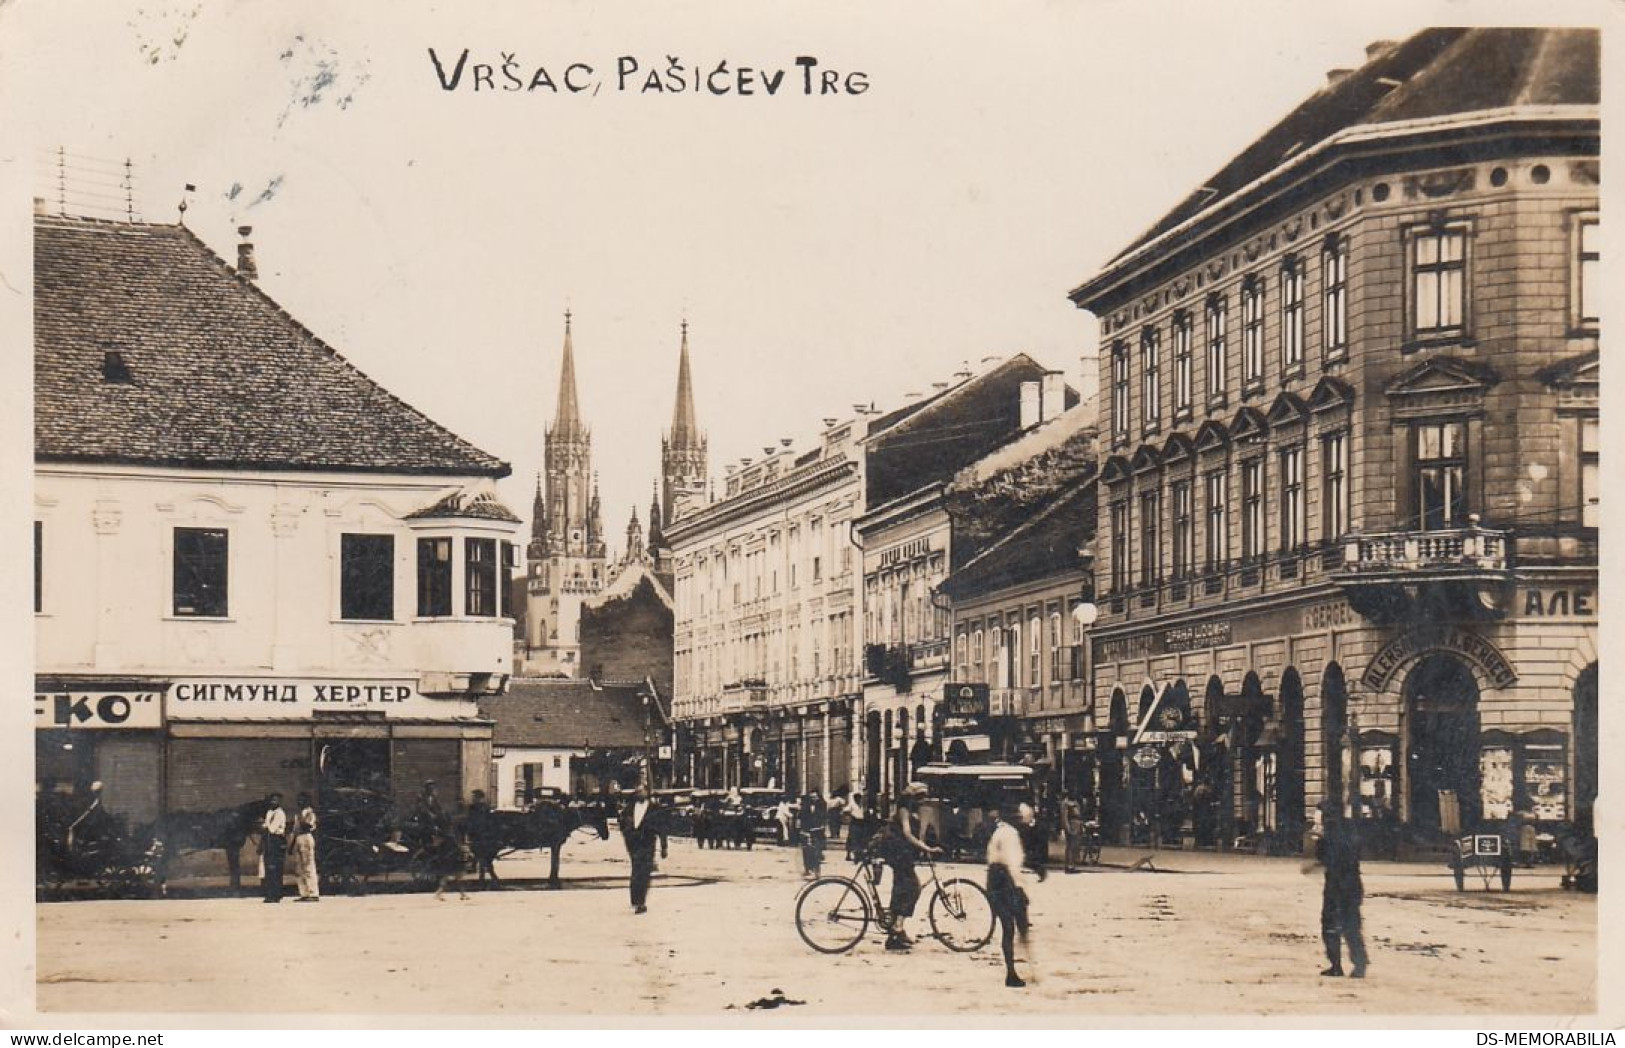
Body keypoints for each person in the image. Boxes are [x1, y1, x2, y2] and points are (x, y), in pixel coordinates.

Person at [874, 782, 940, 951]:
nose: (922, 801)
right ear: (912, 798)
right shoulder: (903, 810)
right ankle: (897, 927)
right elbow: (907, 834)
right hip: (897, 853)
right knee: (913, 888)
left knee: (901, 889)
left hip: (902, 853)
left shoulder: (911, 811)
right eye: (920, 797)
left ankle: (895, 933)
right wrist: (926, 847)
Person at [986, 803, 1045, 987]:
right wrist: (1020, 888)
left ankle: (1014, 971)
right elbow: (1013, 864)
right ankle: (1025, 971)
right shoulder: (1010, 834)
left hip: (995, 879)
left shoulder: (1000, 831)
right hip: (1007, 881)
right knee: (1019, 927)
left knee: (1008, 928)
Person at [1311, 800, 1368, 978]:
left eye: (1317, 813)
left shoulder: (1328, 834)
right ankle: (1360, 963)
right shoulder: (1349, 828)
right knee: (1351, 925)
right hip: (1353, 884)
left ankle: (1336, 965)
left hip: (1336, 884)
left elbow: (1326, 857)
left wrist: (1319, 840)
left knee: (1329, 924)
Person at [621, 782, 659, 914]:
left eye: (642, 791)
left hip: (648, 844)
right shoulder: (630, 808)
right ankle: (635, 900)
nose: (639, 794)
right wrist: (627, 834)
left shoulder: (654, 808)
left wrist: (664, 847)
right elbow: (622, 822)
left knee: (644, 873)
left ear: (647, 793)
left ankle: (640, 902)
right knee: (636, 872)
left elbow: (661, 827)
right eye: (637, 792)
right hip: (633, 844)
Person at [465, 789, 502, 888]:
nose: (472, 799)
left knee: (483, 859)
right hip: (479, 836)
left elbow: (484, 822)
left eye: (474, 797)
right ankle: (491, 879)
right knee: (484, 859)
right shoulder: (478, 808)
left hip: (482, 837)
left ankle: (485, 879)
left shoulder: (481, 808)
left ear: (479, 798)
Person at [290, 793, 319, 902]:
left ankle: (313, 893)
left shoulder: (310, 813)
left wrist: (302, 819)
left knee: (308, 865)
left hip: (306, 837)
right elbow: (294, 830)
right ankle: (304, 892)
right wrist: (291, 845)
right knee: (299, 868)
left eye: (302, 800)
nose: (300, 802)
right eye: (298, 800)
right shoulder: (298, 814)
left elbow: (308, 825)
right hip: (298, 838)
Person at [259, 792, 288, 903]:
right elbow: (265, 827)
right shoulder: (269, 812)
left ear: (280, 801)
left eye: (275, 800)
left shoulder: (280, 814)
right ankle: (271, 893)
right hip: (269, 840)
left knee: (275, 868)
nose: (273, 802)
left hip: (276, 840)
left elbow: (271, 829)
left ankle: (276, 894)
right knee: (269, 868)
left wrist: (264, 827)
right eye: (272, 800)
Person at [799, 791, 828, 878]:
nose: (813, 799)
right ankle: (807, 869)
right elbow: (802, 819)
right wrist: (803, 830)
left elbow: (824, 818)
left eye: (815, 797)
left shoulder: (822, 806)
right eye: (811, 798)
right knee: (806, 851)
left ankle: (817, 871)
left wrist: (822, 826)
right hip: (807, 832)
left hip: (817, 832)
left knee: (816, 852)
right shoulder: (805, 807)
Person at [1061, 794, 1085, 873]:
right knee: (1070, 846)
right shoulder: (1066, 803)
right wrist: (1067, 828)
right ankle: (1069, 865)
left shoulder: (1076, 802)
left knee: (1076, 846)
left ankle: (1073, 864)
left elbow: (1079, 815)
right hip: (1071, 825)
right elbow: (1064, 817)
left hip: (1077, 825)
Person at [845, 790, 870, 861]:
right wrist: (850, 817)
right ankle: (849, 854)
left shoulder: (863, 805)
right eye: (857, 798)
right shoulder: (852, 805)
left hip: (862, 823)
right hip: (854, 822)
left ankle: (859, 854)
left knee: (861, 839)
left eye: (859, 798)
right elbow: (845, 811)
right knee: (852, 838)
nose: (858, 799)